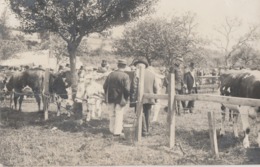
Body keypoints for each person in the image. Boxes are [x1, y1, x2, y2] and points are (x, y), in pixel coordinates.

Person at [130, 57, 159, 137]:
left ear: (138, 66)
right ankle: (146, 130)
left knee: (139, 114)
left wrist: (132, 99)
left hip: (139, 98)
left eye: (137, 66)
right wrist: (155, 98)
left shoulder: (136, 74)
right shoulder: (152, 74)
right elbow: (155, 87)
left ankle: (143, 131)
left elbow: (134, 87)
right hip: (149, 97)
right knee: (147, 114)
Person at [103, 59, 130, 136]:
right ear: (125, 66)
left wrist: (107, 94)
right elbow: (127, 89)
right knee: (119, 114)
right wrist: (126, 97)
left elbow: (104, 86)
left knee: (112, 114)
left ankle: (111, 129)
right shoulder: (125, 76)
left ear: (118, 66)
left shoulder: (111, 74)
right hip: (120, 98)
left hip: (110, 97)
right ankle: (117, 131)